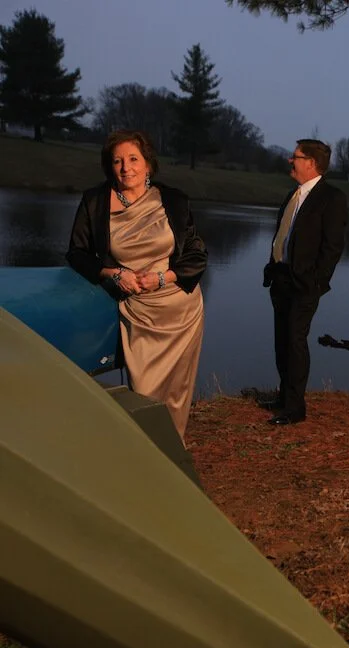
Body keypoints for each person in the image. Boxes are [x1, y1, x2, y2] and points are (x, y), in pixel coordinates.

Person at [67, 129, 207, 442]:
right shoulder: (95, 202)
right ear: (109, 166)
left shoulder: (173, 200)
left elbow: (197, 254)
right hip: (139, 313)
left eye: (133, 159)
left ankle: (172, 458)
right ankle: (146, 459)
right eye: (117, 161)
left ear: (148, 164)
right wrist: (112, 273)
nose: (126, 167)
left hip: (181, 311)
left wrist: (163, 277)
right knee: (143, 393)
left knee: (177, 396)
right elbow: (76, 253)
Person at [261, 139, 347, 426]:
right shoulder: (294, 195)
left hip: (305, 284)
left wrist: (317, 282)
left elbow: (333, 247)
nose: (290, 161)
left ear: (311, 163)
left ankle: (295, 408)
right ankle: (284, 397)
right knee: (281, 340)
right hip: (281, 278)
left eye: (295, 157)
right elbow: (284, 236)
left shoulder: (331, 198)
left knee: (296, 340)